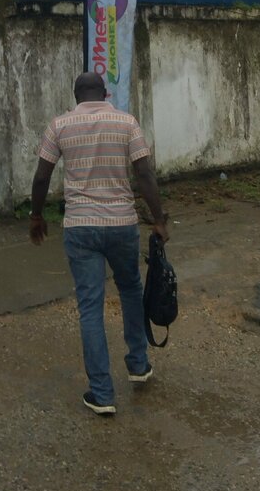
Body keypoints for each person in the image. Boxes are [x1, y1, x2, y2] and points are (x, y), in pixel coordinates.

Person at [29, 71, 169, 416]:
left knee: (90, 307)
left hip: (81, 227)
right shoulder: (126, 122)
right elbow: (145, 174)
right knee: (131, 290)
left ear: (76, 95)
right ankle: (138, 364)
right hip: (122, 224)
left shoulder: (59, 125)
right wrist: (159, 219)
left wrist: (36, 216)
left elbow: (42, 175)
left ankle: (102, 394)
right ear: (105, 93)